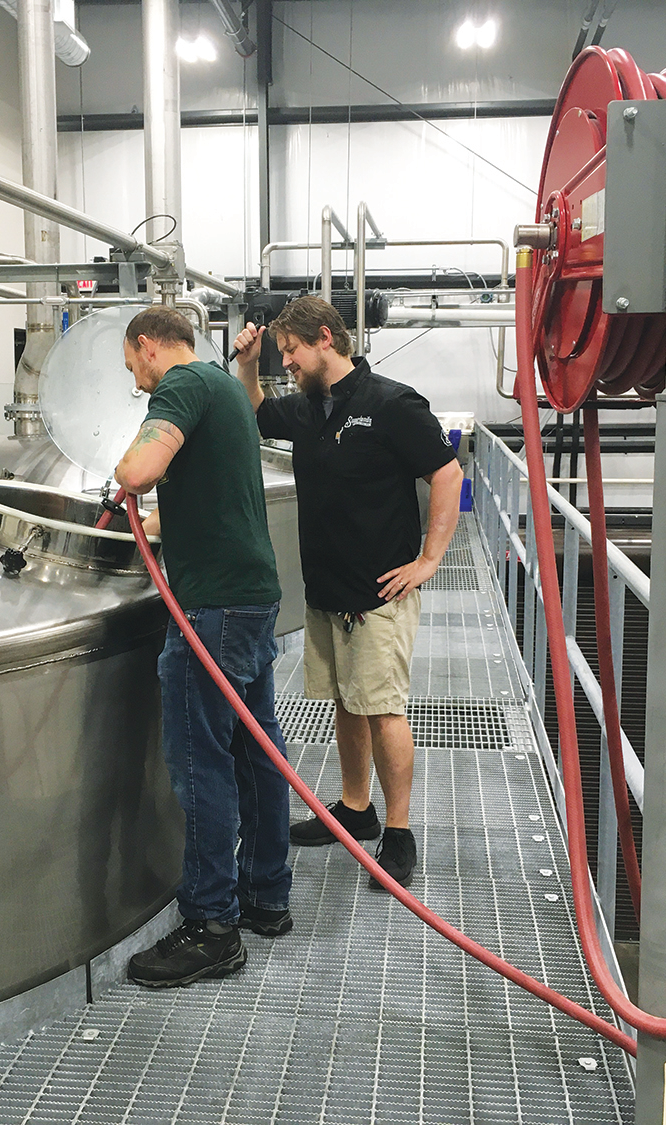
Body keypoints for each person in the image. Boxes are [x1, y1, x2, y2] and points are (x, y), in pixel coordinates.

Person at [232, 296, 463, 889]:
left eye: (291, 351)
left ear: (326, 339)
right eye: (281, 352)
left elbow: (447, 472)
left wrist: (430, 559)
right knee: (345, 700)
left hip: (377, 594)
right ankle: (356, 809)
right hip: (327, 589)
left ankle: (400, 830)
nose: (287, 362)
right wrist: (249, 364)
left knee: (383, 709)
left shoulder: (390, 403)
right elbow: (259, 413)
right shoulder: (309, 409)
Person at [114, 304, 293, 988]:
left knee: (202, 761)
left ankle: (211, 926)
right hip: (252, 593)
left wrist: (124, 468)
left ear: (149, 345)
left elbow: (141, 469)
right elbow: (210, 488)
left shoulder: (182, 385)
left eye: (133, 365)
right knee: (256, 747)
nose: (136, 381)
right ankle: (265, 896)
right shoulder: (223, 387)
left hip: (210, 606)